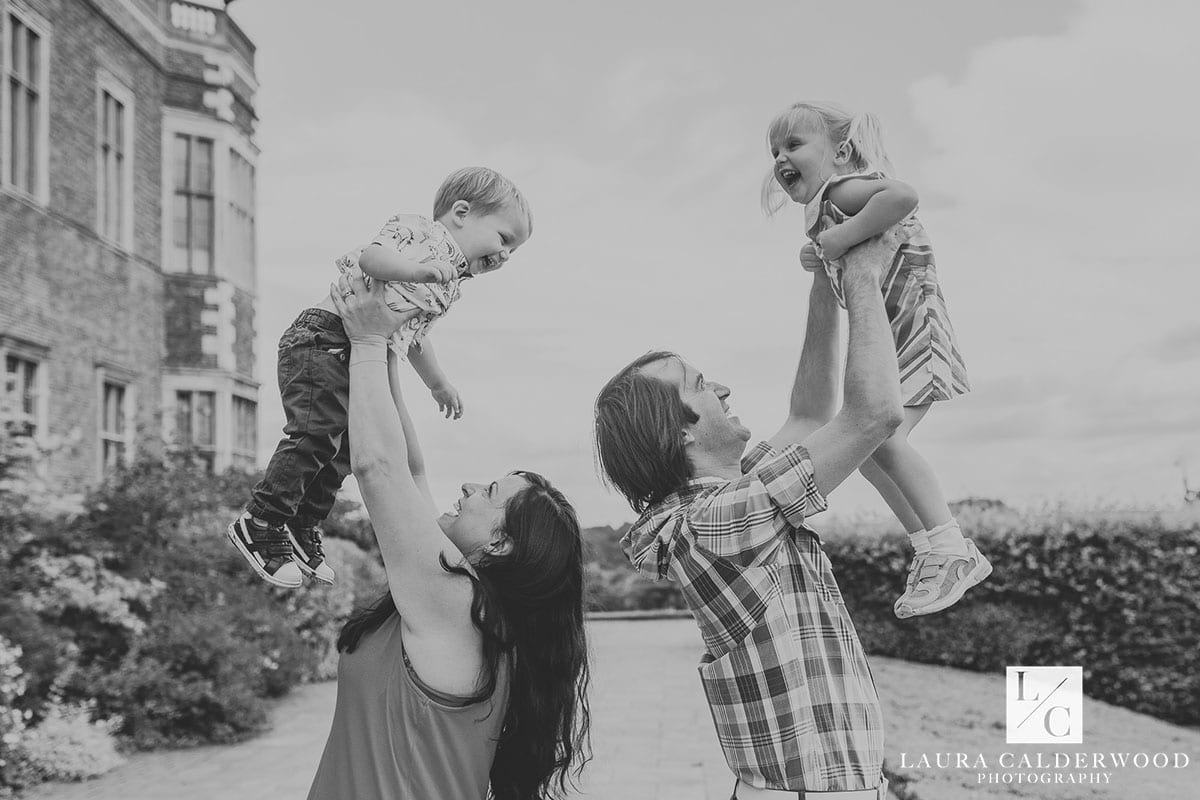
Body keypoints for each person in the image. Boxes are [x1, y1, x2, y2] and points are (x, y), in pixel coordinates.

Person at [594, 231, 907, 798]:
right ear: (679, 430)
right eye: (700, 385)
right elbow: (874, 415)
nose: (722, 387)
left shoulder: (728, 505)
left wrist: (822, 281)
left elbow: (811, 414)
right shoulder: (718, 522)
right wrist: (862, 274)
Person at [307, 272, 590, 800]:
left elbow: (379, 469)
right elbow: (411, 470)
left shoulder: (457, 606)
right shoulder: (475, 614)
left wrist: (367, 341)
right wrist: (391, 350)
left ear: (502, 544)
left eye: (488, 491)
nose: (466, 486)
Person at [228, 167, 532, 588]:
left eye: (514, 251)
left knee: (346, 449)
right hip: (323, 339)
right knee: (315, 434)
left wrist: (437, 382)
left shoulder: (451, 284)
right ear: (461, 212)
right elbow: (372, 258)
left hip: (356, 351)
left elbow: (414, 336)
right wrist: (419, 272)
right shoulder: (419, 232)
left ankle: (301, 525)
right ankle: (261, 520)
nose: (504, 256)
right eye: (503, 239)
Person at [762, 101, 990, 618]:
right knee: (867, 447)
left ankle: (951, 549)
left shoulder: (843, 189)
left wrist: (840, 237)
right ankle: (933, 547)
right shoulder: (825, 206)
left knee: (880, 435)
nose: (779, 159)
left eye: (793, 145)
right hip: (896, 335)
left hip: (911, 329)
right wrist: (820, 252)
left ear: (840, 151)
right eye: (774, 151)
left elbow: (903, 196)